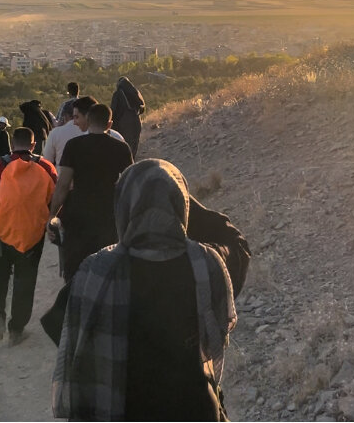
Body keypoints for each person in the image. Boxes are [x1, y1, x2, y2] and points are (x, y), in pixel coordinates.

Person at [52, 159, 243, 421]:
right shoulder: (207, 262)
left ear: (124, 206)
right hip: (193, 408)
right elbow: (237, 243)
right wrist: (168, 194)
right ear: (180, 203)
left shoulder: (98, 271)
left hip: (124, 408)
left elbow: (58, 326)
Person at [0, 127, 57, 345]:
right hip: (31, 235)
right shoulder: (46, 167)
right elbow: (56, 200)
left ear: (12, 144)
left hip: (0, 231)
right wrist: (53, 224)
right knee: (25, 282)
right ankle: (16, 330)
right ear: (33, 145)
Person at [48, 103, 133, 283]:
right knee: (106, 273)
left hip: (77, 216)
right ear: (109, 124)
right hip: (108, 218)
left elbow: (63, 185)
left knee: (75, 273)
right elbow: (130, 185)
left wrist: (52, 216)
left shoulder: (73, 146)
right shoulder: (121, 148)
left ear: (88, 119)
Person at [43, 95, 125, 168]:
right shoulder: (118, 138)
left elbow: (47, 163)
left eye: (76, 117)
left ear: (88, 116)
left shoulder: (69, 142)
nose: (74, 122)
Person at [111, 76, 146, 158]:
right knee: (134, 144)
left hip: (125, 123)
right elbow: (142, 108)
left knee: (125, 146)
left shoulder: (118, 94)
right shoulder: (135, 93)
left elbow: (113, 111)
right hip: (137, 120)